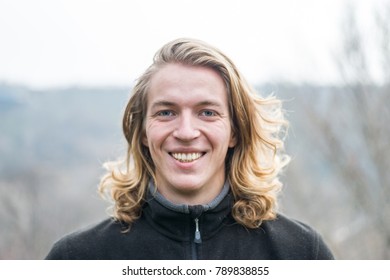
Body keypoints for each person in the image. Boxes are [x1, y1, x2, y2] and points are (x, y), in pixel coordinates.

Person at [45, 38, 334, 260]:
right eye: (166, 112)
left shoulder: (301, 253)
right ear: (143, 132)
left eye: (207, 112)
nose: (185, 132)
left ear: (234, 131)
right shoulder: (77, 258)